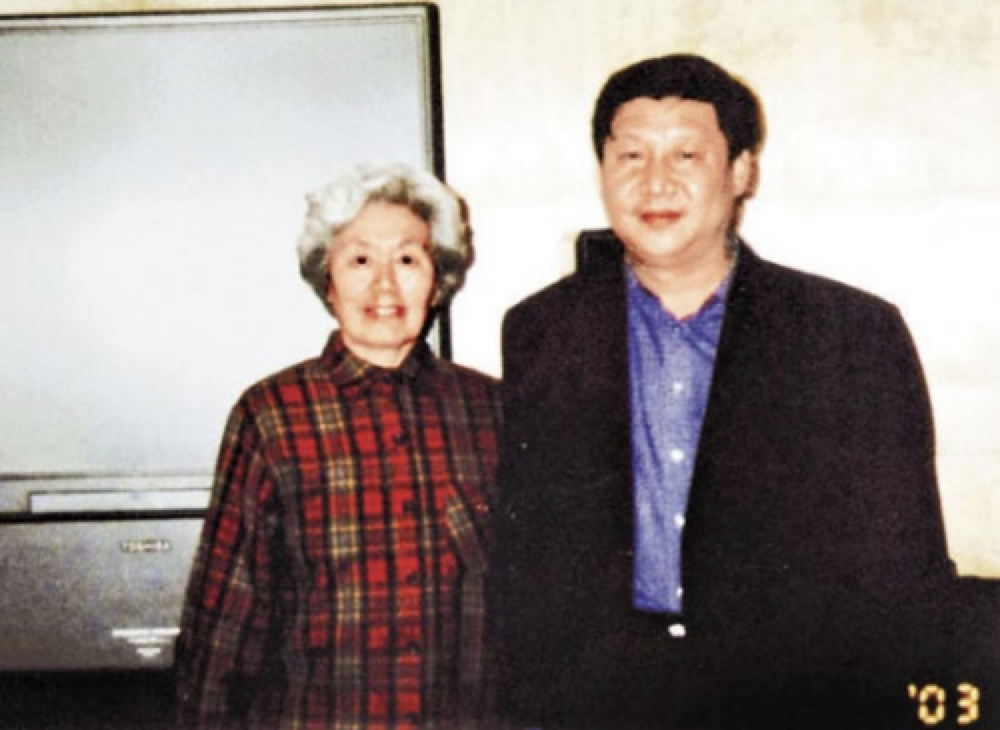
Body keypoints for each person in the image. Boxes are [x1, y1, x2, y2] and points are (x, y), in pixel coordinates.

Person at [489, 54, 956, 729]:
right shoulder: (543, 330)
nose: (655, 181)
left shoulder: (848, 332)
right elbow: (527, 547)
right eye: (630, 156)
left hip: (792, 696)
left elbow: (903, 557)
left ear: (741, 172)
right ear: (602, 170)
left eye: (686, 155)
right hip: (601, 698)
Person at [175, 163, 502, 729]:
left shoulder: (492, 410)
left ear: (438, 277)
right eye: (360, 261)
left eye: (407, 260)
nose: (384, 286)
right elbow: (223, 628)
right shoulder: (271, 416)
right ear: (328, 280)